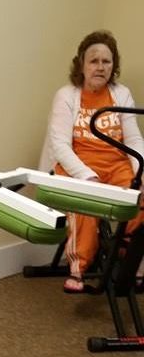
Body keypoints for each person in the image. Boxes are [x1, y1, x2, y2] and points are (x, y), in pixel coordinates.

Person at [40, 30, 144, 293]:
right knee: (84, 199)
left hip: (116, 163)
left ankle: (130, 259)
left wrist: (141, 173)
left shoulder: (121, 94)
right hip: (77, 163)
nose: (100, 67)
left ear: (114, 65)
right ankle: (79, 267)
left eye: (106, 61)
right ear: (82, 65)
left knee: (140, 197)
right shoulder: (67, 95)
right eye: (94, 61)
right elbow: (60, 145)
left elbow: (133, 140)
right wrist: (87, 176)